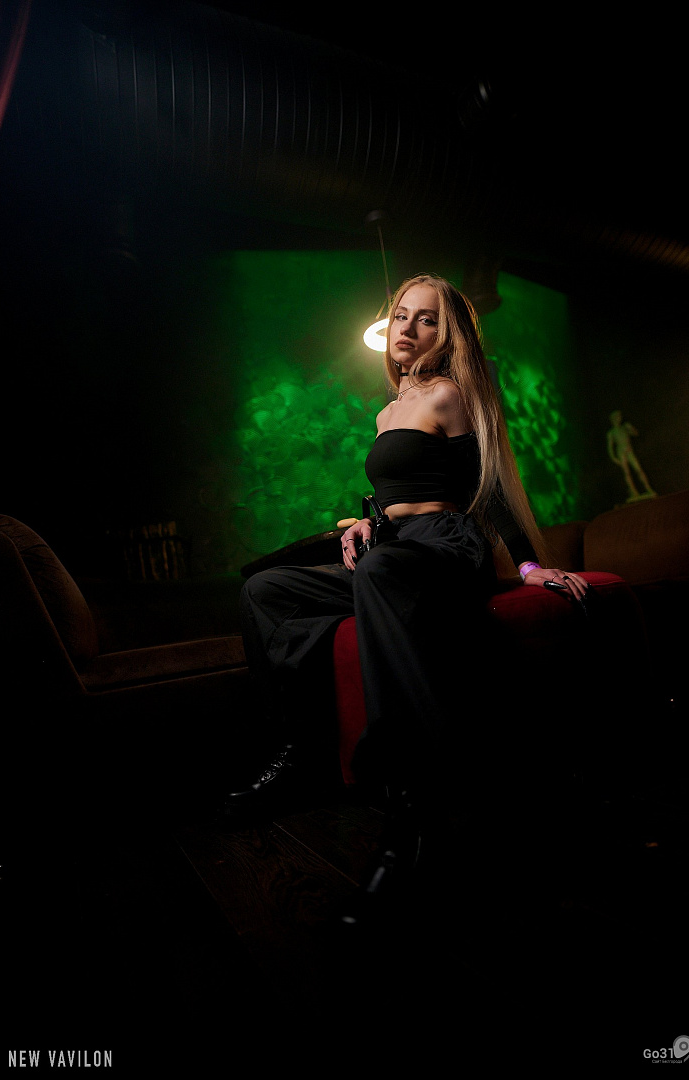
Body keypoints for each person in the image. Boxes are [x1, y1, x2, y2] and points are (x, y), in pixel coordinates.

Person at [222, 273, 589, 911]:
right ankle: (300, 753)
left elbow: (488, 487)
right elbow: (397, 493)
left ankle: (412, 806)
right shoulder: (387, 410)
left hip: (446, 547)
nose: (408, 327)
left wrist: (530, 565)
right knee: (266, 590)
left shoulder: (449, 394)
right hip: (392, 552)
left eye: (426, 318)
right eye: (401, 314)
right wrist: (368, 520)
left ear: (446, 336)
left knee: (380, 573)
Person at [606, 410, 657, 501]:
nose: (619, 418)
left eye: (619, 417)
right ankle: (633, 491)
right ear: (613, 419)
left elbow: (635, 434)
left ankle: (648, 488)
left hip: (629, 450)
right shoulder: (611, 432)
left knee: (638, 469)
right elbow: (610, 447)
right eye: (617, 417)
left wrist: (631, 428)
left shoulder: (624, 428)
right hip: (621, 452)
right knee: (627, 473)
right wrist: (614, 458)